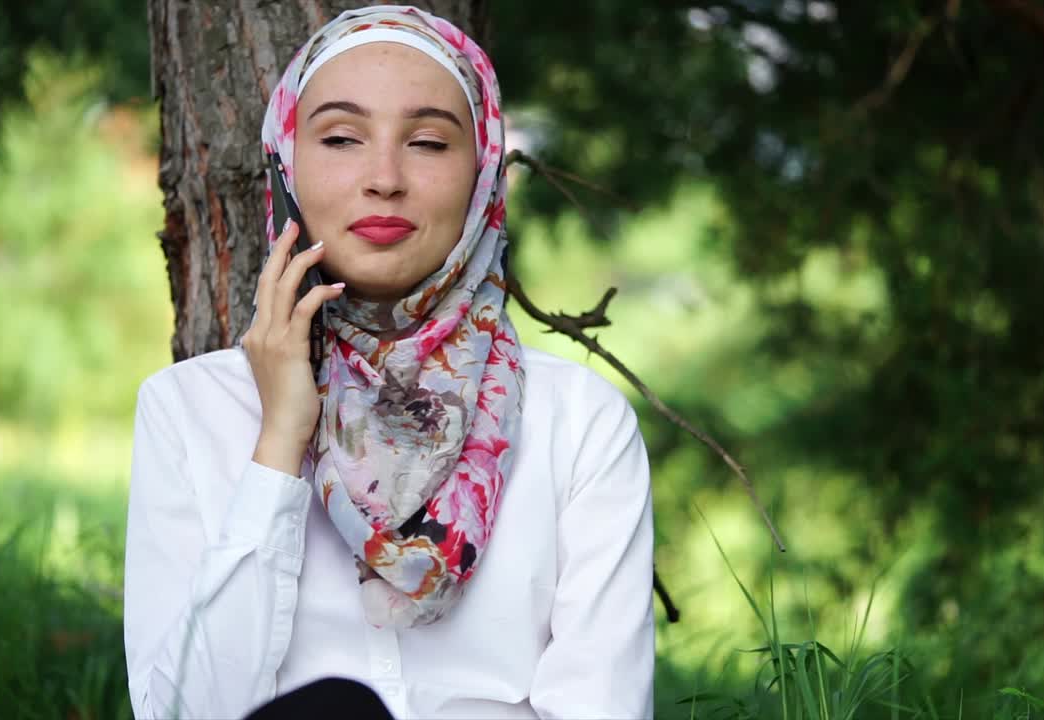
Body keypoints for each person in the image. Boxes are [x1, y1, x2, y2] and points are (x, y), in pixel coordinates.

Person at [123, 6, 654, 719]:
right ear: (285, 167)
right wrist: (279, 443)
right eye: (341, 138)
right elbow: (183, 712)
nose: (384, 178)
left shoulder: (580, 423)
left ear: (484, 175)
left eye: (429, 143)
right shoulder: (190, 409)